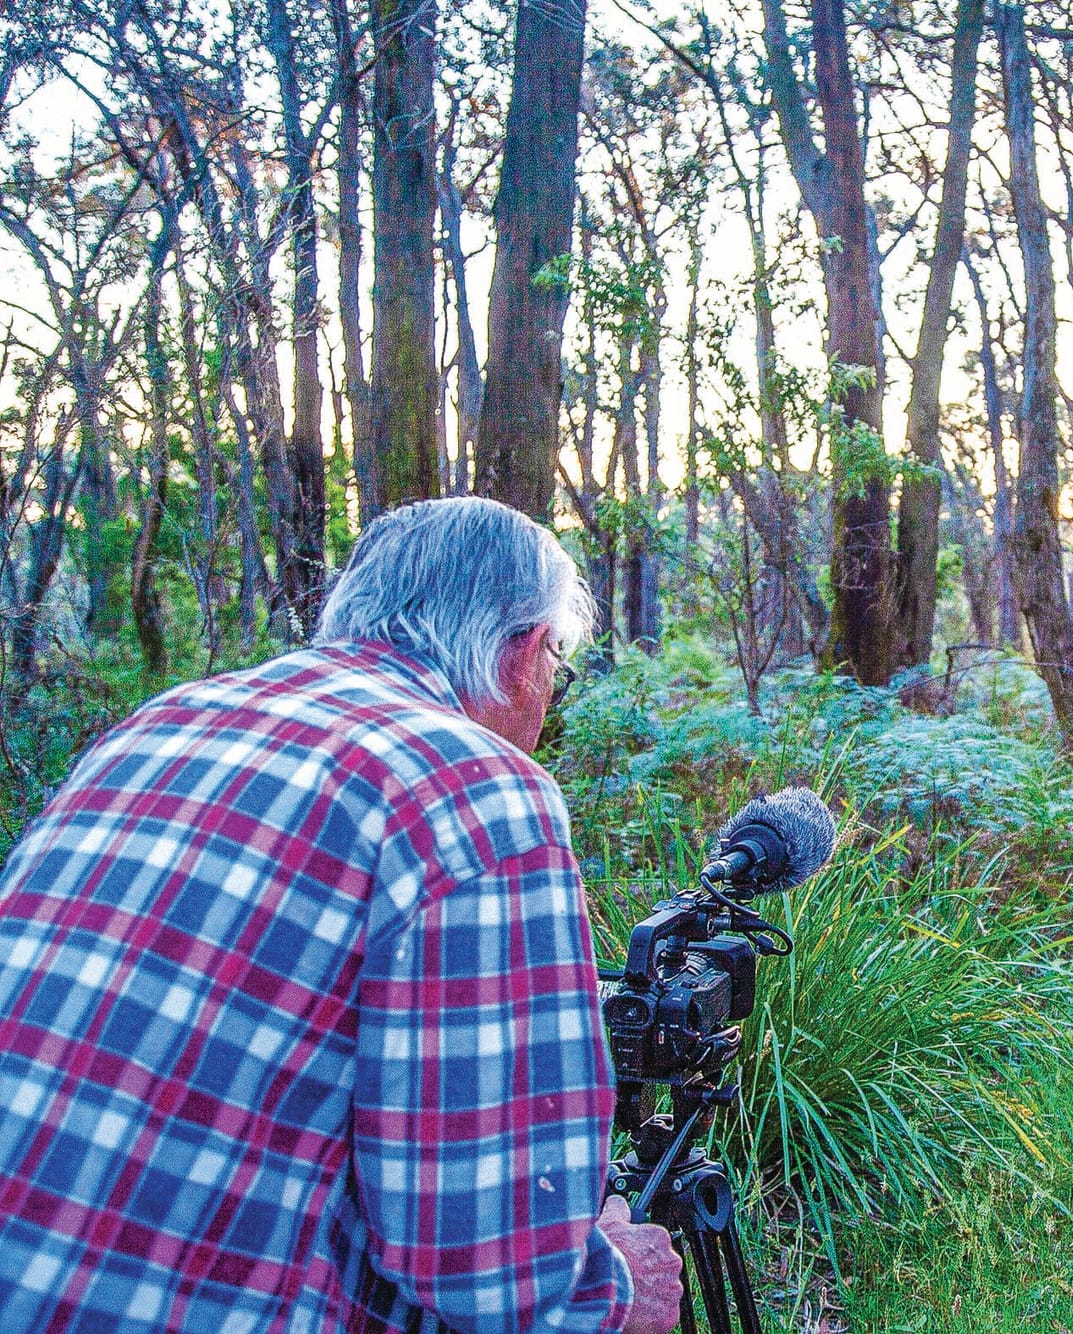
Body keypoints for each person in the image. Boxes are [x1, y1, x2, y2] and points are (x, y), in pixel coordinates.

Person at [0, 497, 683, 1332]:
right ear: (524, 653)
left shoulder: (163, 722)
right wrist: (613, 1290)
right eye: (556, 668)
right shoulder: (476, 788)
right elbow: (494, 1275)